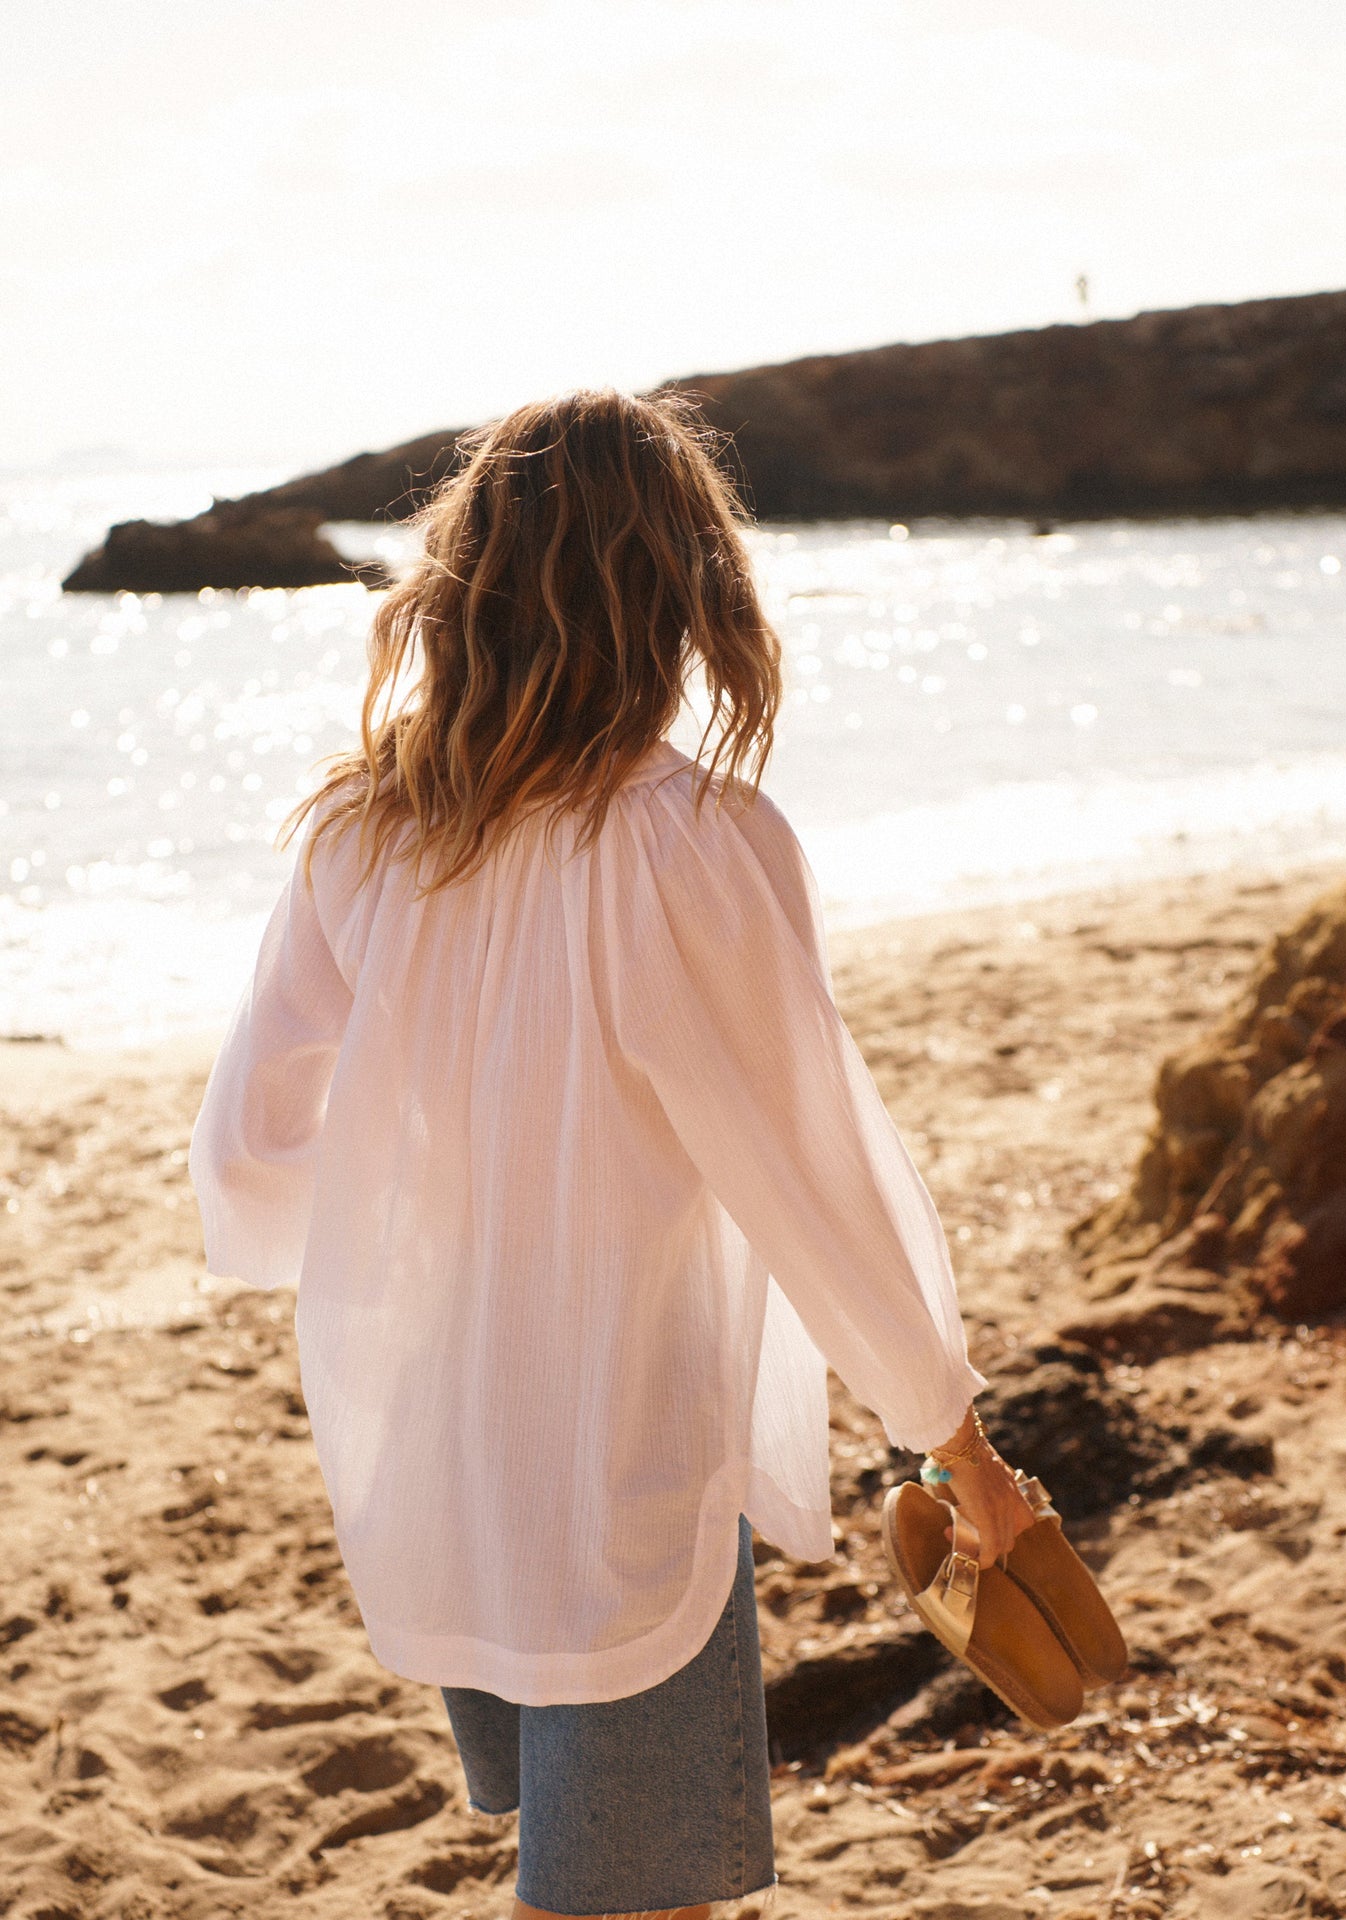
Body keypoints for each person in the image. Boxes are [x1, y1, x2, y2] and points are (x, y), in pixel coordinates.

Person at [189, 388, 1035, 1920]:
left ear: (470, 586)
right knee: (623, 1906)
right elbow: (812, 1177)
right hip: (621, 1448)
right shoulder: (693, 843)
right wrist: (953, 1442)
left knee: (586, 1879)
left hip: (445, 1448)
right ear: (683, 593)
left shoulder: (368, 833)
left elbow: (247, 1156)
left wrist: (428, 1209)